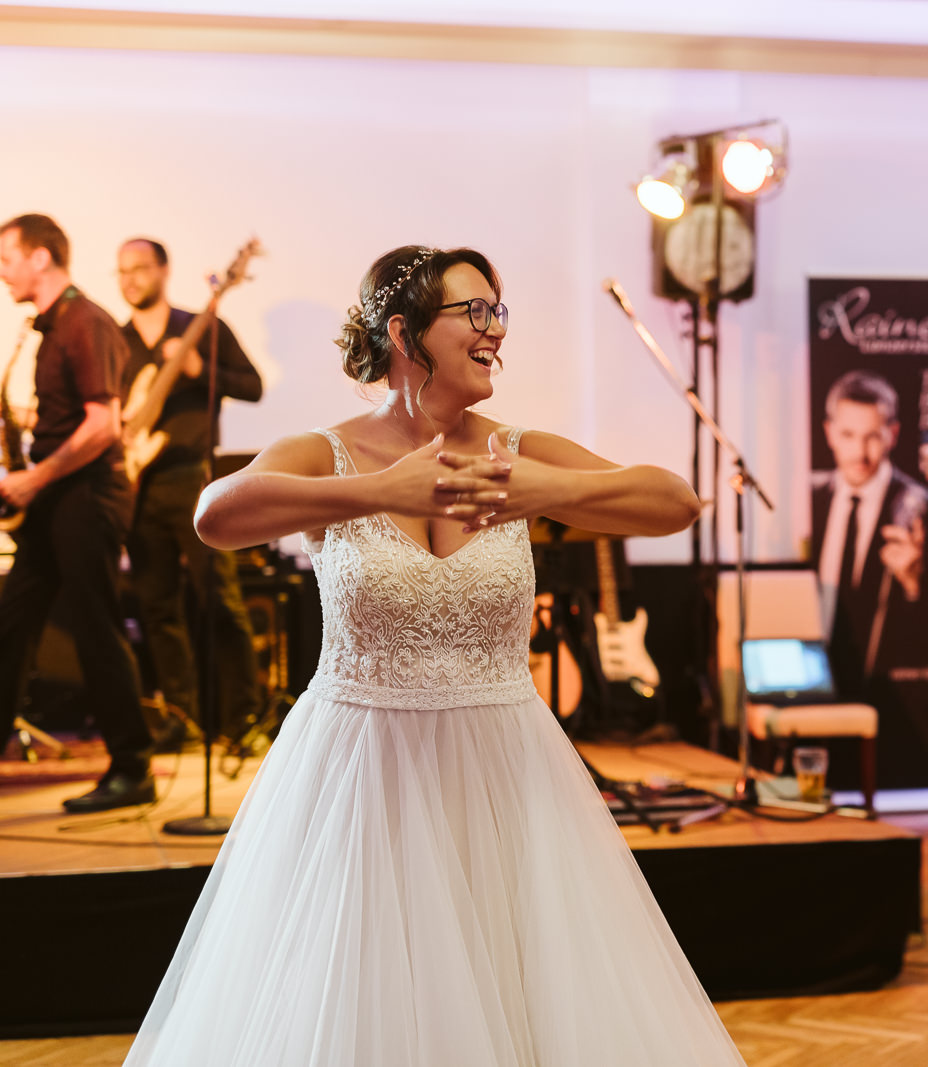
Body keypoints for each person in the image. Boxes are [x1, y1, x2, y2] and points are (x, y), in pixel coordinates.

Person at [124, 245, 745, 1066]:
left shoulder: (517, 447)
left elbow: (675, 500)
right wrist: (381, 492)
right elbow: (216, 514)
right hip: (362, 772)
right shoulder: (329, 451)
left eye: (499, 313)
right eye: (474, 312)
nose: (495, 331)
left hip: (506, 772)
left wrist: (544, 489)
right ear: (403, 332)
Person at [0, 213, 154, 813]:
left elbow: (101, 425)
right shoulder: (51, 325)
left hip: (86, 498)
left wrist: (34, 476)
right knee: (12, 624)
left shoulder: (84, 321)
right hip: (55, 499)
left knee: (96, 629)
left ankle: (133, 766)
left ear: (41, 258)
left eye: (8, 258)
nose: (3, 271)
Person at [117, 237, 265, 749]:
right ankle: (182, 715)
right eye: (121, 271)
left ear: (163, 270)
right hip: (138, 486)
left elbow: (253, 386)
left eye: (138, 268)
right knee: (156, 606)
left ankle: (244, 718)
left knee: (219, 596)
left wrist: (204, 372)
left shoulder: (200, 329)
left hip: (194, 477)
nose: (129, 279)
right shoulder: (117, 341)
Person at [809, 368, 928, 694]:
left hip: (895, 695)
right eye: (848, 435)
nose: (860, 453)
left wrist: (913, 583)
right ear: (829, 433)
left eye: (872, 436)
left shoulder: (927, 509)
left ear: (892, 434)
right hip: (816, 680)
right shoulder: (809, 498)